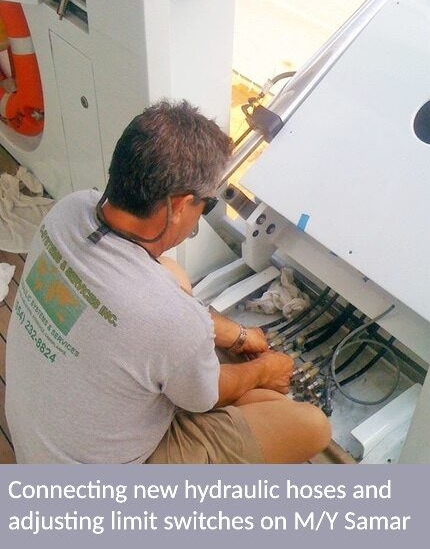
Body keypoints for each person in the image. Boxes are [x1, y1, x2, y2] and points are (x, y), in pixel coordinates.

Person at [6, 100, 330, 464]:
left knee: (172, 275)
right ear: (179, 205)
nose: (198, 219)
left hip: (39, 446)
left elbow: (162, 313)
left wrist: (238, 335)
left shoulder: (70, 208)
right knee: (309, 425)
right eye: (204, 206)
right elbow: (204, 396)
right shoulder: (169, 320)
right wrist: (262, 370)